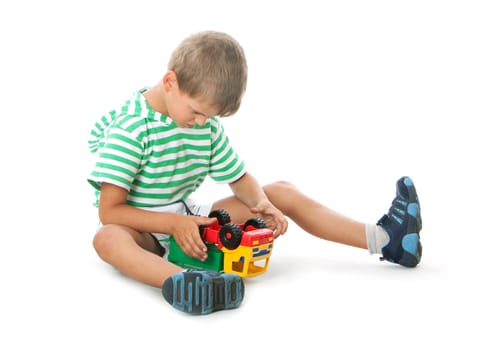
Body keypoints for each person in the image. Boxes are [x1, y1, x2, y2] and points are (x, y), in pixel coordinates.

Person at [87, 31, 422, 315]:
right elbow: (109, 211)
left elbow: (239, 179)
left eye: (211, 116)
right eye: (197, 112)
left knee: (281, 190)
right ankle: (182, 283)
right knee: (107, 238)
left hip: (189, 218)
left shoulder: (205, 127)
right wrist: (173, 225)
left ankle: (387, 239)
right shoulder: (131, 130)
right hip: (142, 231)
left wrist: (264, 205)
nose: (202, 122)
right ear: (170, 81)